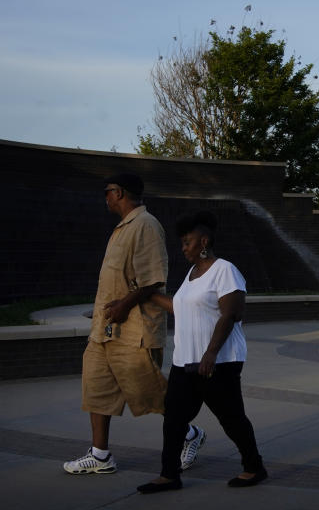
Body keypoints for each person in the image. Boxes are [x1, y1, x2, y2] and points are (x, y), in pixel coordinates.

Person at [63, 174, 205, 475]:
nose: (105, 198)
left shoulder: (146, 225)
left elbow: (154, 280)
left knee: (149, 393)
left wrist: (124, 304)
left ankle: (190, 434)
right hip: (106, 328)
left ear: (119, 193)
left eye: (108, 192)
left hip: (135, 330)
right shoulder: (122, 228)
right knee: (96, 388)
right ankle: (100, 455)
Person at [137, 211, 267, 493]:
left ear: (203, 241)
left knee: (231, 419)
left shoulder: (225, 270)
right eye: (183, 243)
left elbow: (231, 313)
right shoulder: (191, 275)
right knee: (173, 420)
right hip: (185, 362)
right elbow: (180, 309)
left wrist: (210, 353)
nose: (184, 248)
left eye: (188, 242)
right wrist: (147, 294)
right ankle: (169, 475)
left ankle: (254, 467)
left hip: (218, 362)